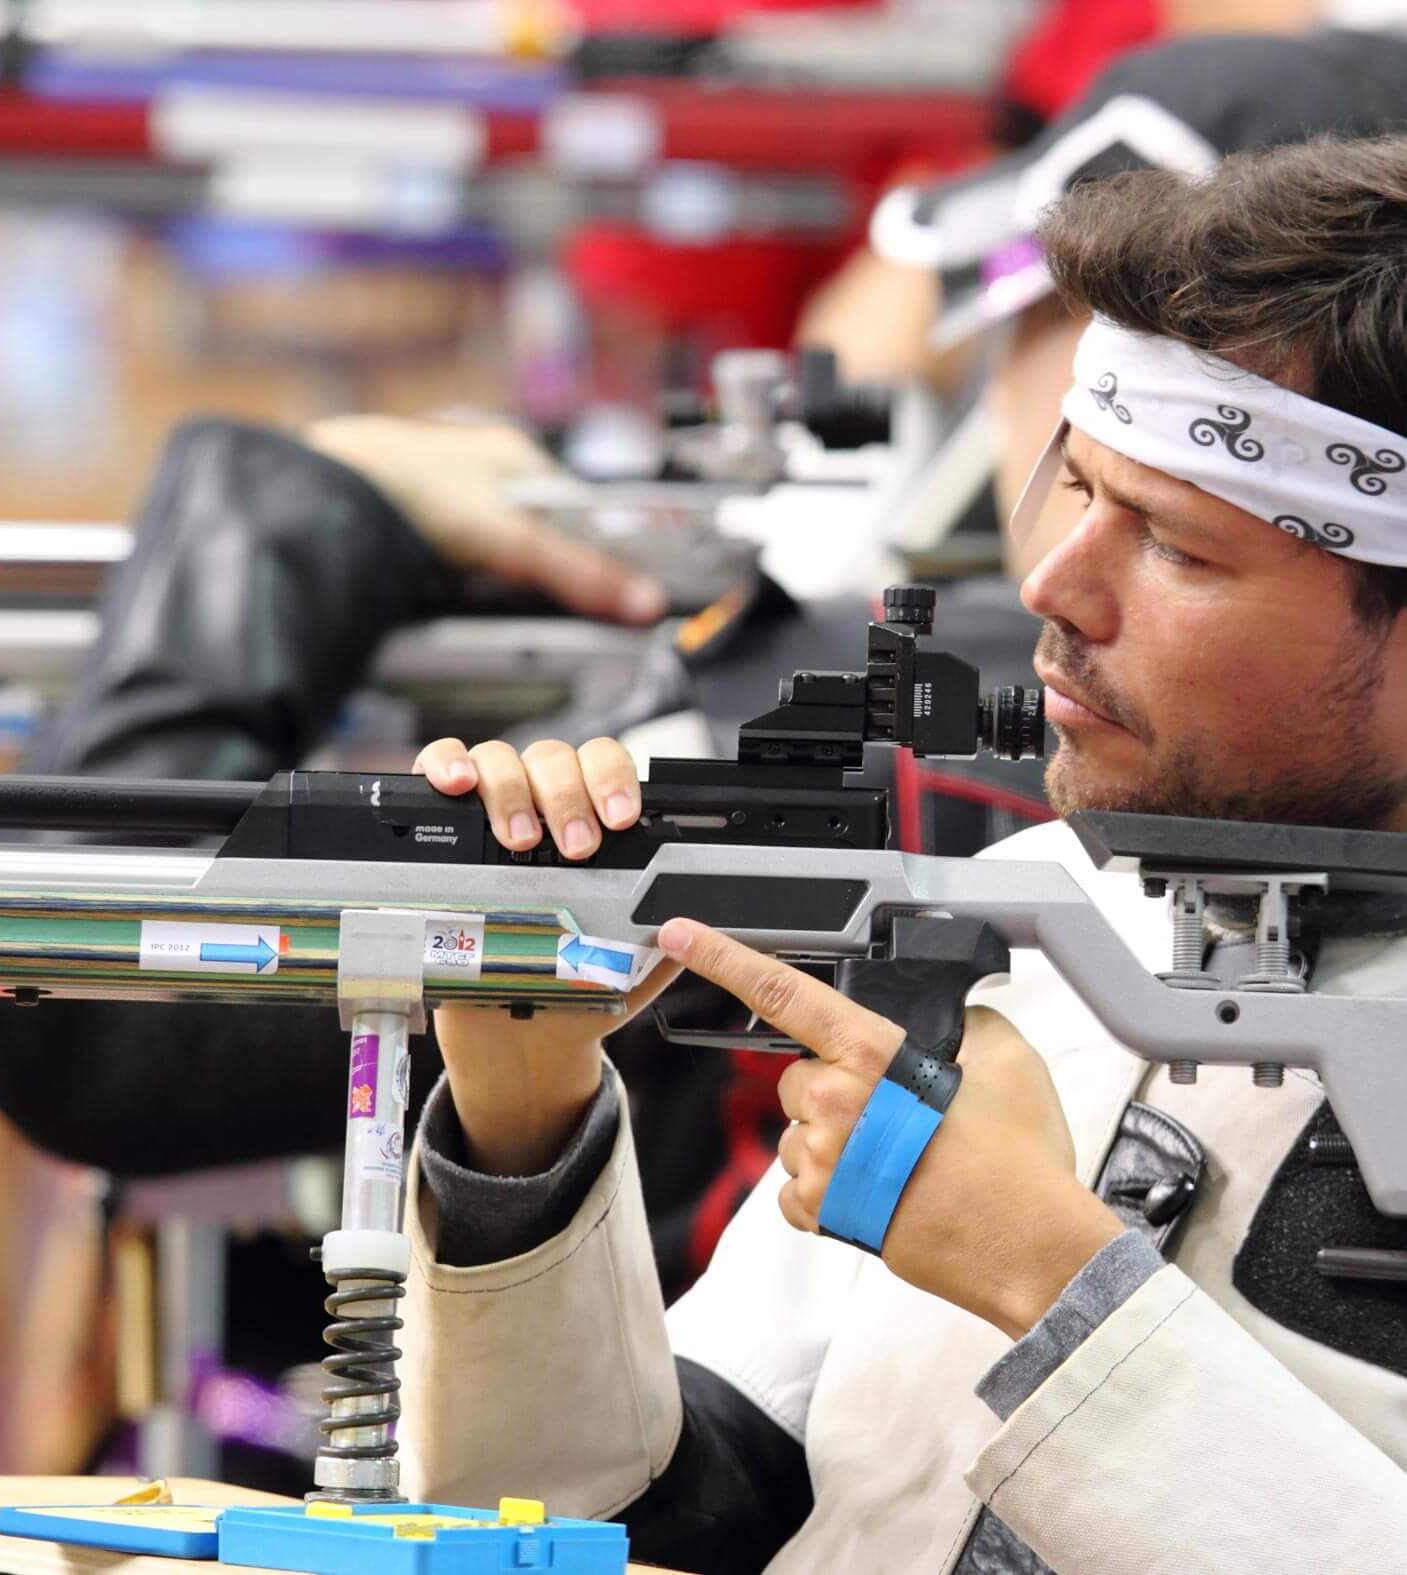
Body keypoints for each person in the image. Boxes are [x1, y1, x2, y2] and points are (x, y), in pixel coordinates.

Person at [394, 136, 1407, 1574]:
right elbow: (653, 1504)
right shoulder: (1056, 912)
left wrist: (1048, 1277)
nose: (1055, 585)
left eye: (1176, 547)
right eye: (1080, 492)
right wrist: (526, 1139)